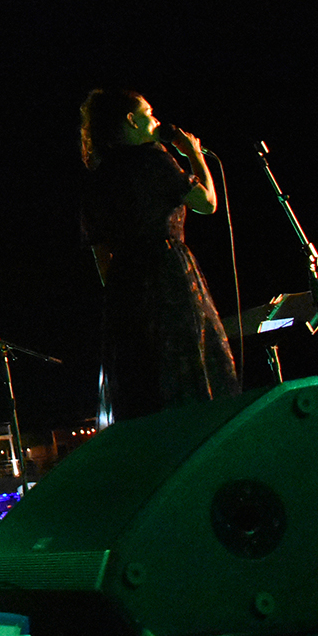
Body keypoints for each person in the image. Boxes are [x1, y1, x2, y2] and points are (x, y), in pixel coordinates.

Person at [78, 89, 238, 425]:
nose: (156, 120)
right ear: (132, 121)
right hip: (168, 275)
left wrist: (122, 286)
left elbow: (99, 252)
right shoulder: (153, 159)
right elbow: (207, 203)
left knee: (142, 380)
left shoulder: (98, 178)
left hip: (124, 286)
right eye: (149, 113)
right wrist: (194, 154)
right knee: (187, 367)